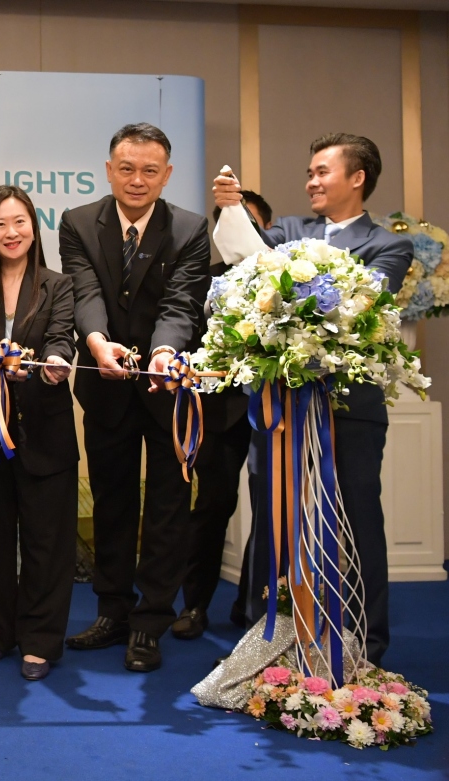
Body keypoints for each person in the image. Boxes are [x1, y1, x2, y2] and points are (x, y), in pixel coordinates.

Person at [212, 133, 413, 665]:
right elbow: (249, 264)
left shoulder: (389, 244)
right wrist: (233, 211)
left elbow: (363, 304)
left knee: (357, 519)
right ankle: (266, 639)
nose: (311, 182)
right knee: (273, 519)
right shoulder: (288, 230)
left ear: (357, 178)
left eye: (322, 172)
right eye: (309, 173)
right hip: (281, 410)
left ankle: (365, 642)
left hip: (350, 409)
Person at [60, 123, 210, 673]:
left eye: (150, 170)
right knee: (112, 501)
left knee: (168, 506)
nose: (137, 180)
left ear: (167, 175)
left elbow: (181, 303)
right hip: (105, 384)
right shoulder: (79, 222)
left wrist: (165, 352)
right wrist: (97, 343)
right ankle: (112, 612)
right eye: (127, 168)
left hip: (168, 389)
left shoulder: (190, 228)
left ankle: (151, 621)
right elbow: (85, 291)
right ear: (109, 170)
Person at [0, 186, 78, 681]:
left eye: (20, 222)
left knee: (47, 542)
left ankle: (40, 641)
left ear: (33, 226)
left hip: (45, 433)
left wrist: (55, 362)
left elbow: (62, 336)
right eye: (0, 225)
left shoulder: (58, 284)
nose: (11, 233)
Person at [170, 191, 275, 641]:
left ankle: (254, 603)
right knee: (213, 507)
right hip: (220, 411)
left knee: (273, 510)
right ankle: (194, 604)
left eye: (249, 221)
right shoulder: (204, 280)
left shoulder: (287, 277)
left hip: (278, 412)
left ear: (266, 227)